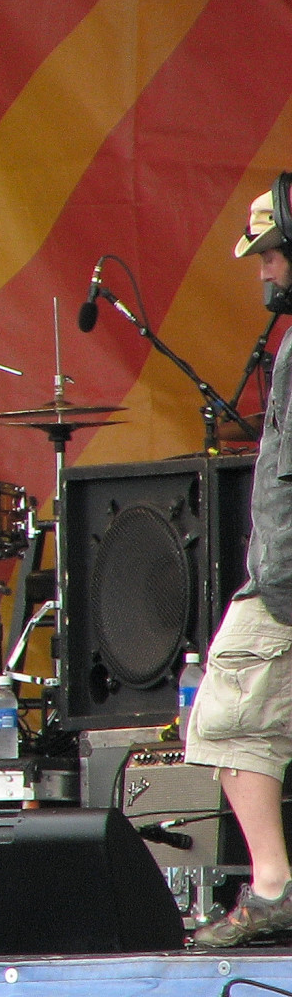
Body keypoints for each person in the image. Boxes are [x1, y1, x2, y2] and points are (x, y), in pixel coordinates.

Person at [186, 184, 292, 946]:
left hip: (284, 582)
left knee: (228, 722)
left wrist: (277, 578)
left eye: (273, 254)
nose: (265, 273)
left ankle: (272, 887)